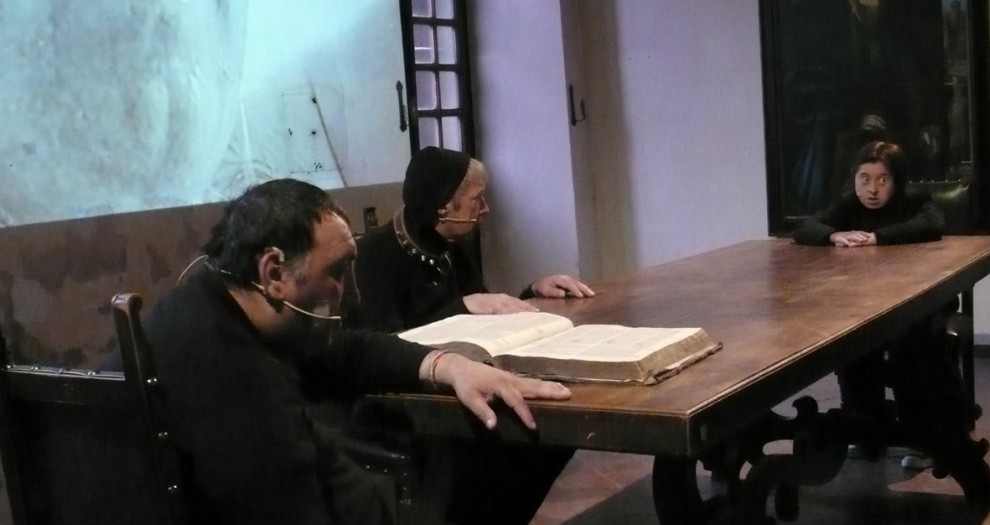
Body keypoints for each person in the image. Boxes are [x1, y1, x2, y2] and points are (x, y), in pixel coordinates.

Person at [142, 178, 572, 525]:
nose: (351, 295)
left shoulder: (213, 304)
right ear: (274, 272)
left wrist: (448, 365)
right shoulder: (236, 380)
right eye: (337, 271)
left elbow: (345, 349)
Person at [347, 146, 594, 525]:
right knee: (510, 439)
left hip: (460, 384)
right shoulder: (373, 256)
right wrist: (460, 307)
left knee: (549, 431)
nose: (486, 209)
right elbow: (382, 346)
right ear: (442, 206)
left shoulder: (451, 246)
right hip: (404, 403)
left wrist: (530, 292)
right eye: (477, 199)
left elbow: (480, 321)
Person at [793, 141, 989, 516]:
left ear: (896, 181)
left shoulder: (913, 202)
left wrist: (878, 238)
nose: (872, 189)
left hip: (921, 307)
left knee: (911, 350)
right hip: (866, 307)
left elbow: (931, 224)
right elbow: (806, 226)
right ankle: (866, 424)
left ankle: (927, 434)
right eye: (864, 179)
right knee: (850, 343)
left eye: (882, 179)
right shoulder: (846, 207)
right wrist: (832, 235)